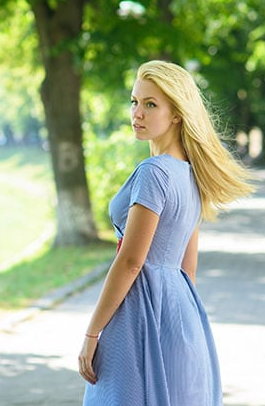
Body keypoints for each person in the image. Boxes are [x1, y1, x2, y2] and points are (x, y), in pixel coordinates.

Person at [78, 60, 253, 405]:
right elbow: (188, 269)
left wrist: (92, 332)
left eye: (151, 104)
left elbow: (130, 260)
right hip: (181, 314)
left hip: (137, 312)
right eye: (134, 102)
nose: (137, 113)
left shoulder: (154, 173)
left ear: (176, 114)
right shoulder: (191, 176)